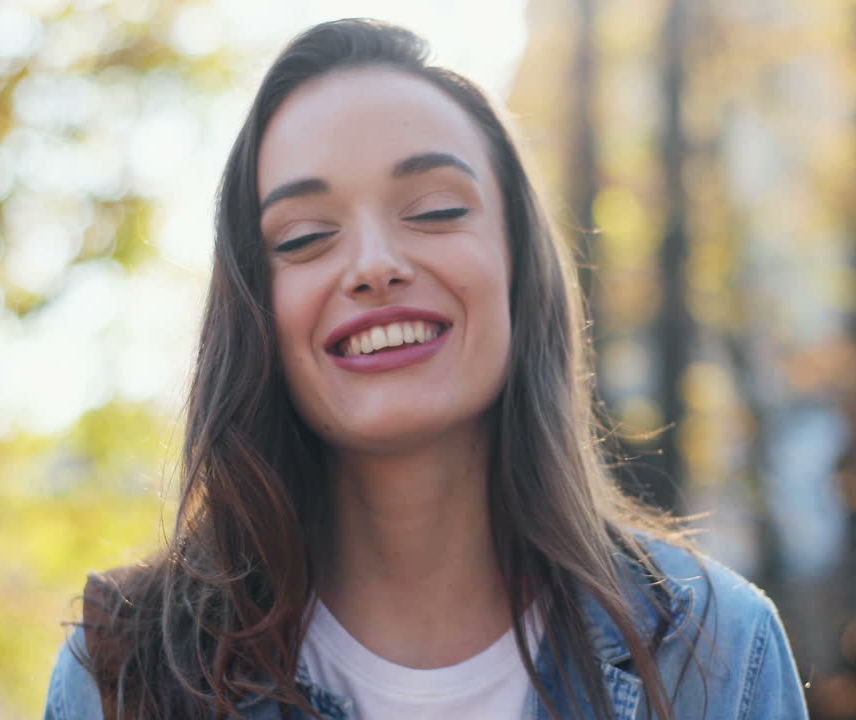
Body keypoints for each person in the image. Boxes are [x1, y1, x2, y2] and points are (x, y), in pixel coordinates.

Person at [43, 18, 809, 720]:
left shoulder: (715, 655)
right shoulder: (122, 676)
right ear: (254, 312)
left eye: (437, 210)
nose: (375, 266)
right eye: (306, 236)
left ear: (516, 266)